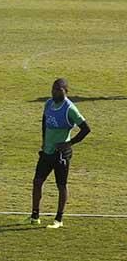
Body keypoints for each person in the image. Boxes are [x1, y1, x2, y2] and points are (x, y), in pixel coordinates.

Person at [29, 78, 91, 228]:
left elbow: (86, 129)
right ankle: (35, 215)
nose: (54, 92)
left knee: (61, 185)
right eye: (53, 89)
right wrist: (44, 140)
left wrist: (69, 143)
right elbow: (44, 121)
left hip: (61, 154)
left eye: (58, 90)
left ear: (65, 91)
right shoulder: (49, 103)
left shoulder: (70, 108)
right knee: (37, 181)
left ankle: (59, 219)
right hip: (47, 151)